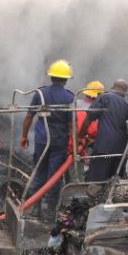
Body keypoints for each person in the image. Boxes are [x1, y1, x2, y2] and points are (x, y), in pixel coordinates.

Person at [19, 60, 74, 218]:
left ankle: (36, 208)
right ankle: (50, 211)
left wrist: (24, 136)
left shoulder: (40, 94)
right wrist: (75, 143)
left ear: (51, 77)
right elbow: (71, 124)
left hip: (42, 140)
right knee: (54, 176)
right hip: (59, 141)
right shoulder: (70, 97)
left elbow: (29, 115)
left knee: (39, 172)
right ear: (65, 79)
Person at [79, 79, 128, 182]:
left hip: (103, 148)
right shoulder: (127, 106)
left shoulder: (104, 97)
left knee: (96, 180)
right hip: (120, 150)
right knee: (113, 182)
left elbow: (88, 118)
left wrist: (80, 136)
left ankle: (95, 197)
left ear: (112, 88)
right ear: (125, 93)